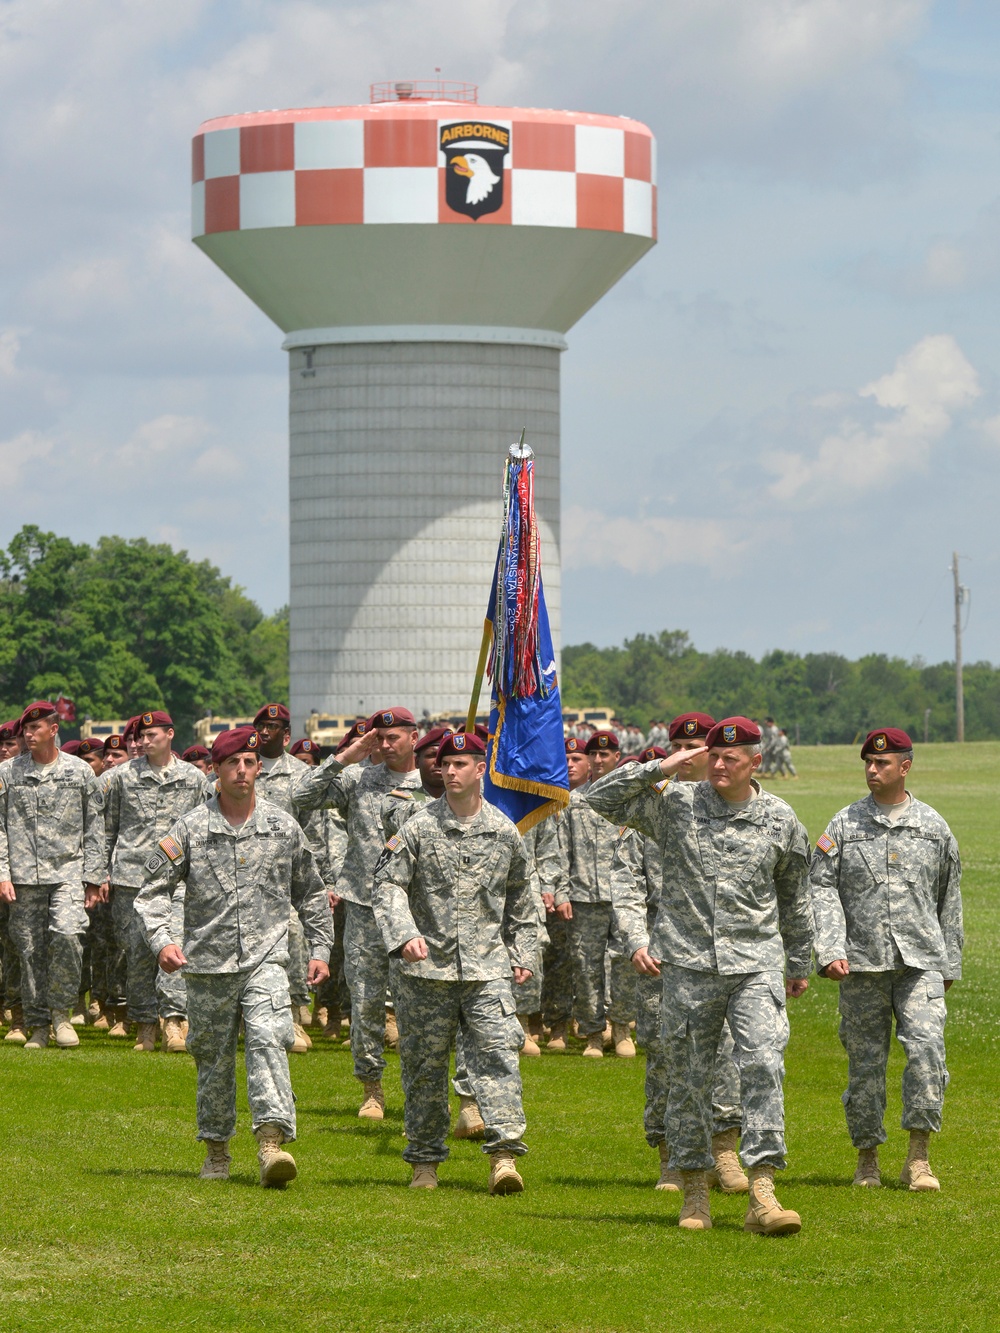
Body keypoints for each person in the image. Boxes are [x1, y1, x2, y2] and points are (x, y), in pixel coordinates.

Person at [588, 716, 812, 1235]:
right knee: (688, 1078)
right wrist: (661, 767)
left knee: (762, 1064)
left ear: (757, 761)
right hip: (688, 965)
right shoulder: (677, 806)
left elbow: (795, 897)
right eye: (714, 754)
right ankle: (694, 1189)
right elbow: (600, 799)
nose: (720, 762)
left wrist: (799, 962)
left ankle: (762, 1190)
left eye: (732, 756)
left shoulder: (780, 819)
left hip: (754, 964)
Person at [135, 725, 332, 1186]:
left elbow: (311, 891)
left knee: (268, 1040)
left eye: (248, 762)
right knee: (213, 1058)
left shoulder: (283, 826)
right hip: (207, 966)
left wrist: (320, 948)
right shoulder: (190, 829)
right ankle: (217, 1151)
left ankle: (270, 1145)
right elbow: (151, 893)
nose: (241, 771)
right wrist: (162, 940)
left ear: (258, 768)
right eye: (231, 764)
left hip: (266, 959)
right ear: (216, 771)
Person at [371, 732, 534, 1194]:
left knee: (499, 1060)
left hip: (487, 971)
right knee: (424, 1067)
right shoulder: (418, 827)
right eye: (446, 765)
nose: (452, 772)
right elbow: (388, 886)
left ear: (480, 769)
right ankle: (424, 1161)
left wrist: (523, 952)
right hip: (427, 973)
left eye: (462, 764)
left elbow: (522, 894)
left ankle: (504, 1158)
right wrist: (404, 935)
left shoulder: (504, 831)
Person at [810, 727, 963, 1192]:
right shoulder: (844, 824)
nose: (872, 770)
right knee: (865, 1064)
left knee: (926, 1053)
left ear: (905, 767)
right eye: (868, 764)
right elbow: (820, 889)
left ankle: (918, 1157)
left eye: (882, 763)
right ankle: (867, 1157)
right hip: (862, 964)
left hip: (920, 964)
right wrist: (831, 948)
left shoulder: (933, 827)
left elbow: (949, 897)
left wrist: (948, 963)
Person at [611, 715, 747, 1194]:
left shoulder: (735, 807)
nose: (690, 754)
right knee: (667, 1056)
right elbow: (625, 885)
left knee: (727, 1054)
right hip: (663, 958)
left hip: (722, 958)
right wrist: (636, 940)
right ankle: (671, 1155)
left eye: (697, 745)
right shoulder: (651, 812)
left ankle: (726, 1152)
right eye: (679, 746)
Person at [293, 708, 423, 1119]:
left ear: (413, 737)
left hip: (415, 910)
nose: (384, 745)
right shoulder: (357, 780)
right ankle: (372, 1088)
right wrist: (346, 756)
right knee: (365, 1001)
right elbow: (301, 797)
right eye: (379, 738)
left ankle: (421, 1088)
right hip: (366, 907)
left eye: (392, 738)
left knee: (417, 1004)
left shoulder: (432, 785)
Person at [0, 701, 105, 1049]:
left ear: (54, 729)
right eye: (25, 730)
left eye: (35, 729)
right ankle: (38, 1024)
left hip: (67, 873)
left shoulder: (79, 772)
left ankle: (61, 1015)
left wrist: (93, 877)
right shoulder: (9, 772)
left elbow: (95, 827)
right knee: (29, 951)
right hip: (24, 876)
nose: (28, 735)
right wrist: (3, 874)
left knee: (68, 937)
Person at [104, 710, 208, 1052]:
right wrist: (101, 873)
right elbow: (109, 828)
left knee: (175, 949)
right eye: (142, 737)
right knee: (136, 954)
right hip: (131, 878)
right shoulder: (122, 777)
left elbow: (202, 829)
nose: (145, 741)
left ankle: (175, 1023)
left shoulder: (193, 779)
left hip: (178, 880)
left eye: (153, 735)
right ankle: (145, 1025)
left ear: (170, 735)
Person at [558, 730, 636, 1059]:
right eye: (595, 754)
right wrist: (561, 891)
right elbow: (561, 851)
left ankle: (620, 1028)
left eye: (607, 754)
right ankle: (592, 1034)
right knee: (586, 967)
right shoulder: (574, 802)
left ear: (618, 756)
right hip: (583, 897)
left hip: (623, 898)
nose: (600, 759)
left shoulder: (631, 798)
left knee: (623, 963)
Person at [252, 704, 319, 1054]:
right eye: (261, 725)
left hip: (288, 878)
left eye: (273, 726)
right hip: (245, 876)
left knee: (292, 936)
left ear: (287, 734)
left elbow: (314, 831)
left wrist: (323, 881)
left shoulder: (301, 775)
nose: (265, 732)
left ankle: (292, 1012)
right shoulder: (244, 767)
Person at [543, 737, 587, 1051]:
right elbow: (554, 853)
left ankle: (587, 1021)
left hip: (589, 894)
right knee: (556, 960)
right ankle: (555, 1023)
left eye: (577, 759)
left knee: (586, 963)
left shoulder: (596, 800)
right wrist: (558, 891)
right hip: (559, 894)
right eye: (566, 758)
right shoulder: (549, 799)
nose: (570, 764)